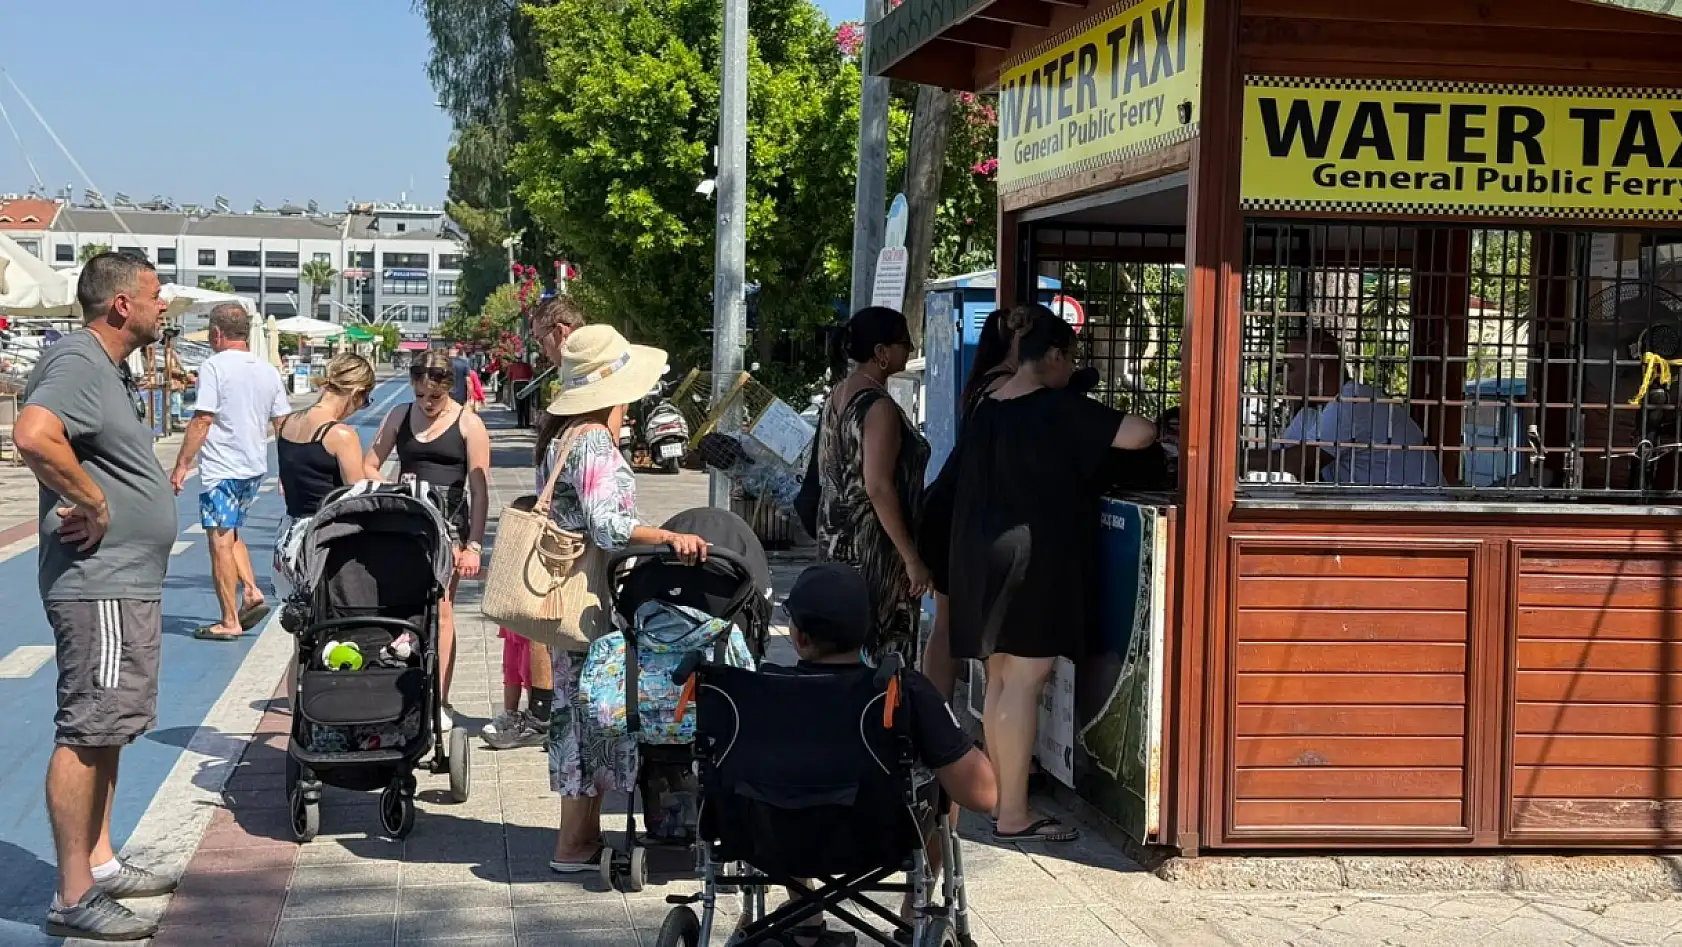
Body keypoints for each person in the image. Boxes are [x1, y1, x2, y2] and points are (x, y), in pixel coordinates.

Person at [945, 309, 1157, 844]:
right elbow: (1140, 435)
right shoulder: (1057, 408)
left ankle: (1003, 799)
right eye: (1073, 359)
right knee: (1024, 679)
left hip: (978, 552)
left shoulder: (986, 406)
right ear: (1057, 357)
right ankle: (1013, 813)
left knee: (999, 678)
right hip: (1029, 557)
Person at [15, 252, 179, 940]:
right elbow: (32, 433)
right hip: (99, 583)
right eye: (154, 294)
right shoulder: (81, 362)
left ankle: (101, 862)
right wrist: (92, 500)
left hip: (122, 582)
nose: (162, 306)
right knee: (87, 728)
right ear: (121, 305)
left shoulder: (105, 367)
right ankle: (74, 891)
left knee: (110, 724)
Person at [537, 324, 709, 873]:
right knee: (586, 712)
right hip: (587, 601)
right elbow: (609, 526)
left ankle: (580, 838)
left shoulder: (565, 434)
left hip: (566, 598)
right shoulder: (593, 441)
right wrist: (666, 537)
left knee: (578, 712)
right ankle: (572, 844)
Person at [774, 562, 997, 941]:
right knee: (945, 782)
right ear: (867, 633)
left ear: (799, 637)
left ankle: (803, 902)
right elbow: (983, 794)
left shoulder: (762, 694)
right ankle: (914, 909)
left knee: (783, 781)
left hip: (778, 839)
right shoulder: (906, 691)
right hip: (882, 838)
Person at [365, 350, 492, 722]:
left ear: (448, 388)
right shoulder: (400, 416)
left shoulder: (469, 425)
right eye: (419, 395)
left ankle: (439, 698)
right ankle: (399, 686)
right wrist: (390, 489)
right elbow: (369, 462)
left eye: (434, 396)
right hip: (406, 520)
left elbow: (480, 490)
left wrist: (474, 546)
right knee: (399, 604)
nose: (427, 403)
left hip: (449, 525)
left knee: (441, 609)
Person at [815, 307, 931, 661]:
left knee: (844, 650)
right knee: (883, 655)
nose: (910, 351)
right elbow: (878, 486)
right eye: (904, 344)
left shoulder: (839, 395)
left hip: (836, 541)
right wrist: (911, 557)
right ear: (881, 352)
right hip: (874, 550)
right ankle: (878, 717)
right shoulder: (878, 407)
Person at [169, 304, 291, 641]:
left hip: (222, 470)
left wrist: (182, 464)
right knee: (232, 532)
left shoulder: (214, 367)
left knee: (219, 542)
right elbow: (282, 422)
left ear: (215, 333)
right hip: (253, 467)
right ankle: (251, 591)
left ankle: (228, 620)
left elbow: (203, 418)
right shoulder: (267, 370)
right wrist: (287, 468)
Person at [1247, 330, 1442, 488]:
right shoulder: (1312, 413)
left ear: (1321, 366)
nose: (1285, 377)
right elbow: (1278, 457)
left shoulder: (1354, 401)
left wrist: (1232, 462)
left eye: (1292, 367)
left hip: (1414, 515)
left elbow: (1300, 462)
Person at [273, 353, 378, 598]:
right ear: (356, 392)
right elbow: (357, 498)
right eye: (365, 400)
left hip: (292, 537)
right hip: (329, 542)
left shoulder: (288, 423)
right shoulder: (340, 435)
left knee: (301, 618)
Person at [507, 357, 536, 428]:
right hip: (526, 383)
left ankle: (520, 423)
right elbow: (531, 374)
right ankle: (526, 423)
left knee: (518, 404)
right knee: (526, 404)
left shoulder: (512, 366)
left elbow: (509, 376)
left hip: (516, 383)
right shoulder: (527, 365)